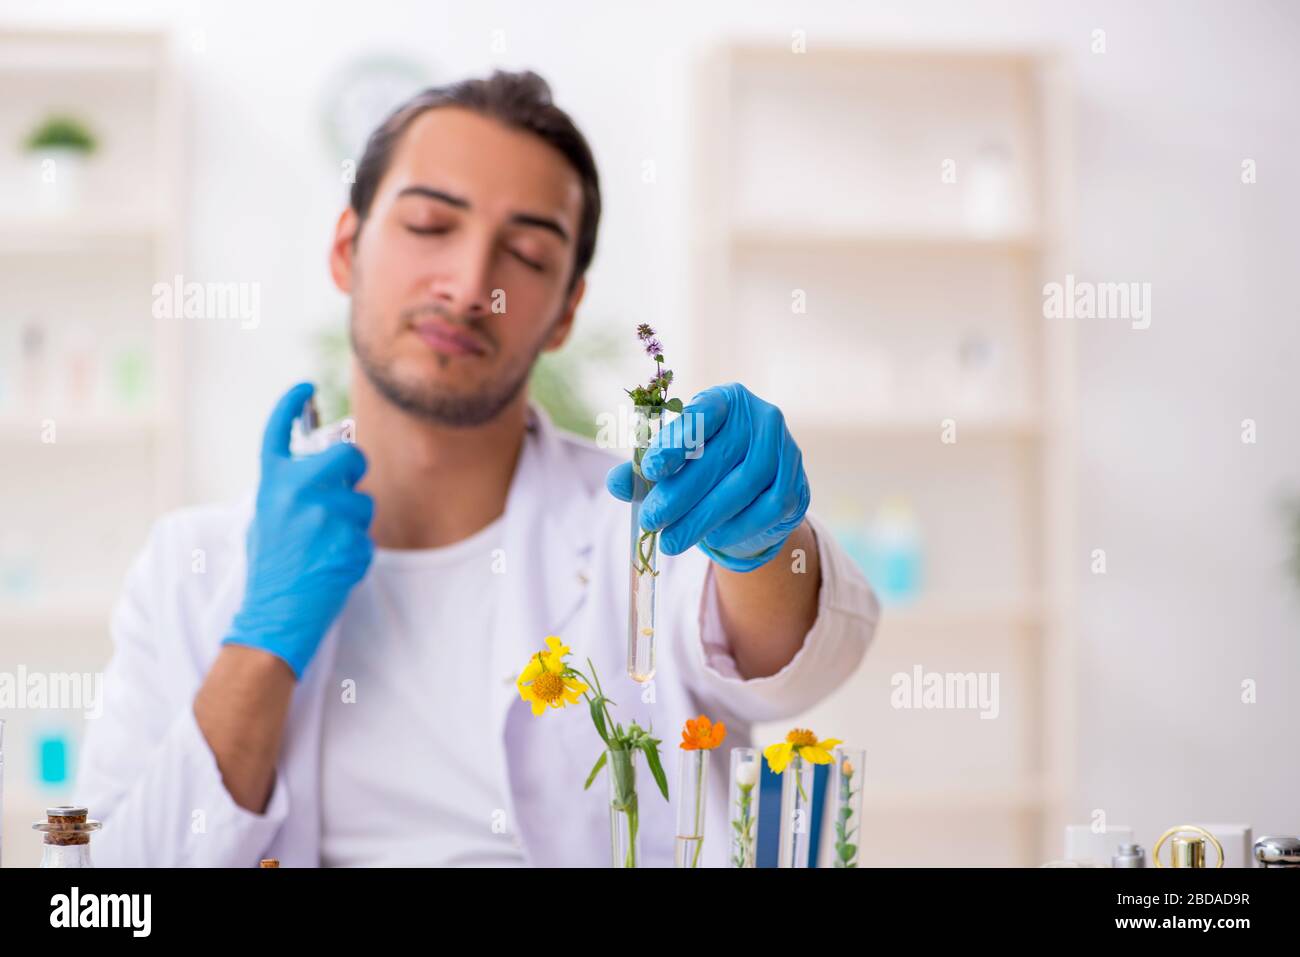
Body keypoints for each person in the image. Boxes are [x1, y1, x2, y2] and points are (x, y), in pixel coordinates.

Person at [76, 70, 879, 867]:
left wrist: (765, 543)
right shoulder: (189, 571)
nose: (468, 287)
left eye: (527, 253)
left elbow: (792, 664)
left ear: (566, 309)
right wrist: (260, 642)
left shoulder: (642, 528)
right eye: (430, 224)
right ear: (347, 249)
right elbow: (104, 893)